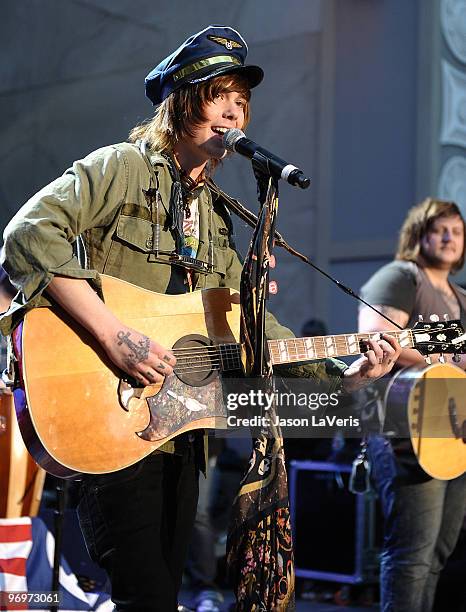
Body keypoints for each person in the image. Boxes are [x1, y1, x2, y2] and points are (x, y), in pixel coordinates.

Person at [0, 25, 400, 612]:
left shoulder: (217, 217)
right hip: (109, 413)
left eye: (243, 101)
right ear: (184, 99)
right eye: (222, 95)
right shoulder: (121, 168)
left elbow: (247, 332)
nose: (235, 112)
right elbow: (27, 235)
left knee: (165, 588)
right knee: (148, 595)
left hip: (181, 432)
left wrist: (345, 374)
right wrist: (115, 336)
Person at [358, 198, 466, 612]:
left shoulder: (459, 295)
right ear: (418, 235)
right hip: (406, 425)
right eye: (439, 229)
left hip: (453, 428)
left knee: (438, 552)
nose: (449, 238)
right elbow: (379, 338)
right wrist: (449, 356)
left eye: (456, 231)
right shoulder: (401, 276)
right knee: (412, 553)